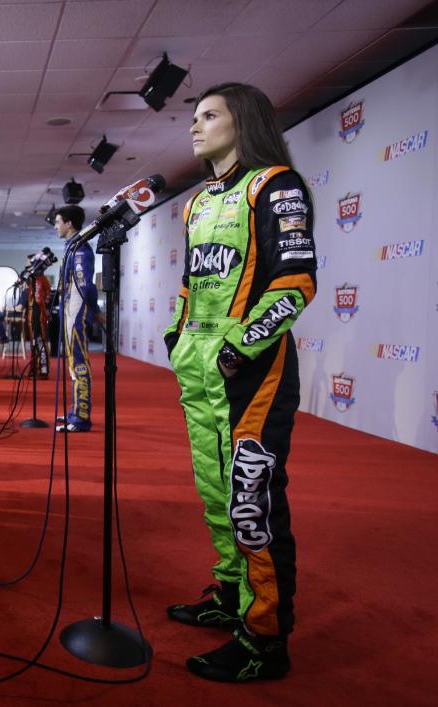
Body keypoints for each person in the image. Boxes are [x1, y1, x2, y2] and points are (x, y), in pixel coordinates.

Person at [163, 82, 317, 682]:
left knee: (251, 502)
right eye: (193, 117)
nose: (195, 127)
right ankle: (230, 596)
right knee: (213, 489)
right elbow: (187, 283)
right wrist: (178, 336)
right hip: (197, 367)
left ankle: (265, 638)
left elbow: (296, 281)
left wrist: (237, 347)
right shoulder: (197, 202)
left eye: (209, 115)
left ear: (243, 120)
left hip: (251, 370)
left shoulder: (275, 185)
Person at [55, 205, 97, 432]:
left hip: (76, 315)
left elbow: (85, 286)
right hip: (69, 313)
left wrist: (87, 314)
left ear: (69, 223)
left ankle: (81, 415)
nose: (55, 226)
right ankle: (75, 411)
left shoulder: (80, 248)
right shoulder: (71, 246)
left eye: (58, 221)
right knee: (73, 363)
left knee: (78, 363)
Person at [24, 261, 51, 379]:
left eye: (28, 263)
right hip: (35, 313)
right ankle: (38, 369)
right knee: (36, 343)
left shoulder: (39, 280)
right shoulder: (37, 280)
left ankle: (41, 369)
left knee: (38, 342)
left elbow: (39, 300)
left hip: (37, 315)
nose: (26, 266)